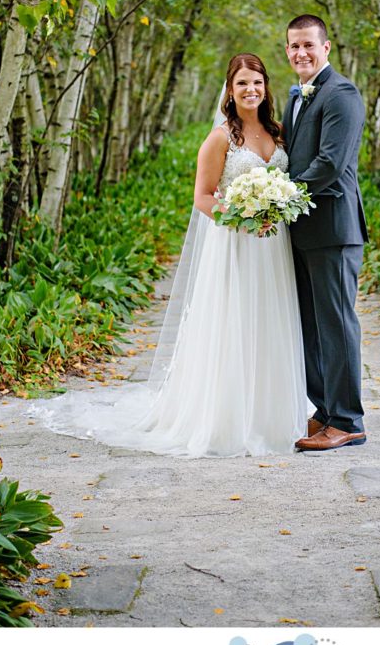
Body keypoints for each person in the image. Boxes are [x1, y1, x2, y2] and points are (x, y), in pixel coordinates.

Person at [29, 53, 308, 458]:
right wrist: (243, 219)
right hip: (235, 244)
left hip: (273, 245)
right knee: (234, 323)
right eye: (242, 83)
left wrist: (275, 211)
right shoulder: (220, 138)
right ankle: (227, 420)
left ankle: (271, 416)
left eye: (258, 83)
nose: (251, 90)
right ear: (230, 91)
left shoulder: (279, 132)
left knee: (270, 320)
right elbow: (202, 197)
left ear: (267, 87)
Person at [282, 14, 369, 452]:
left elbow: (331, 164)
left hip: (333, 230)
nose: (301, 53)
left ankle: (349, 420)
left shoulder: (341, 93)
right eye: (294, 46)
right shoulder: (294, 97)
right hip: (301, 231)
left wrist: (281, 196)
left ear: (326, 47)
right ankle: (326, 411)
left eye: (308, 45)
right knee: (312, 328)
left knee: (336, 324)